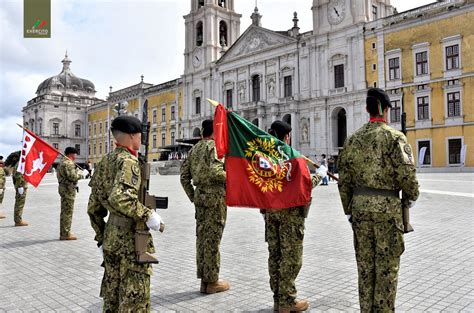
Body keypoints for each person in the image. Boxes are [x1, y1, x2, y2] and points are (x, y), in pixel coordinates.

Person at [337, 88, 419, 312]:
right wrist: (411, 197)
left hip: (360, 212)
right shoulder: (394, 137)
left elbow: (343, 180)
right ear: (387, 109)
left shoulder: (352, 140)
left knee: (365, 269)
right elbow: (407, 176)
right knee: (386, 270)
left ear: (367, 109)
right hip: (387, 214)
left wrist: (349, 209)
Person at [87, 115, 163, 312]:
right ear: (132, 136)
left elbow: (93, 207)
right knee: (134, 300)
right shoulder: (128, 161)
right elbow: (119, 196)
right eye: (140, 135)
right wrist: (147, 215)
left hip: (111, 238)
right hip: (131, 240)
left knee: (112, 297)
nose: (142, 140)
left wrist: (102, 236)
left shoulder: (105, 161)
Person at [265, 120, 327, 313]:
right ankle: (288, 300)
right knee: (291, 258)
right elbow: (305, 184)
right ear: (287, 137)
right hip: (290, 216)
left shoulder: (264, 158)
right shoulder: (292, 157)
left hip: (270, 214)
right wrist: (321, 174)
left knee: (275, 255)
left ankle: (278, 298)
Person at [180, 119, 230, 294]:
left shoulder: (194, 149)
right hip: (215, 199)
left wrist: (193, 196)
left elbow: (184, 177)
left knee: (202, 239)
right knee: (213, 241)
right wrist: (233, 176)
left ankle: (204, 280)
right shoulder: (213, 147)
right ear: (215, 132)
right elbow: (216, 172)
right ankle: (212, 281)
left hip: (201, 200)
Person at [57, 147, 83, 240]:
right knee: (67, 212)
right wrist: (81, 174)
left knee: (65, 211)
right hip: (68, 189)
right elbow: (73, 177)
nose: (76, 156)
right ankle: (65, 234)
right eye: (75, 154)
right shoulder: (68, 163)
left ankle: (64, 232)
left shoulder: (62, 162)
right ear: (71, 154)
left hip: (64, 188)